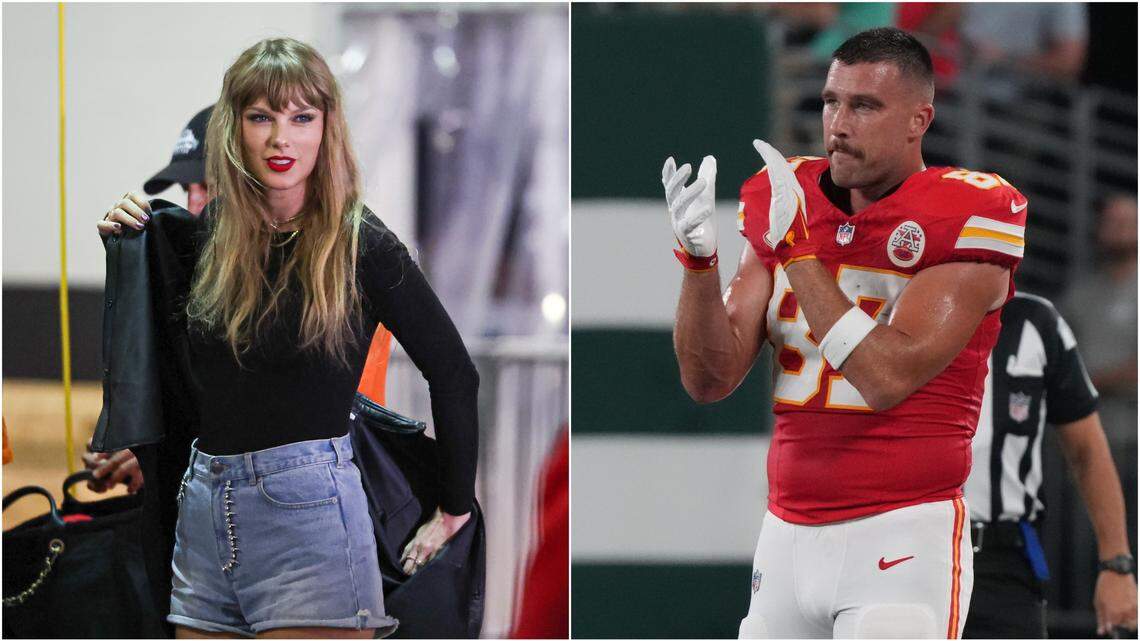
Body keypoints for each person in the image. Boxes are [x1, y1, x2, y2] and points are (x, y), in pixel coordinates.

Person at [97, 37, 478, 638]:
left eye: (302, 117)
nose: (282, 139)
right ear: (234, 129)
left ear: (327, 128)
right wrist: (129, 245)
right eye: (261, 117)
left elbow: (454, 372)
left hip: (310, 512)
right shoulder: (212, 235)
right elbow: (179, 371)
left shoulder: (360, 243)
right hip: (204, 509)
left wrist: (455, 508)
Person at [665, 28, 1027, 638]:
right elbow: (709, 378)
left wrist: (801, 252)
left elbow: (887, 377)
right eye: (833, 100)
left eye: (865, 105)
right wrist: (699, 265)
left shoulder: (969, 212)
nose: (839, 122)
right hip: (784, 534)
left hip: (902, 533)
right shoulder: (786, 197)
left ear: (919, 119)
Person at [963, 292, 1137, 638]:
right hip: (910, 545)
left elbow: (1087, 449)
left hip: (1002, 557)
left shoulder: (1036, 322)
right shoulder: (894, 305)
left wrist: (1117, 565)